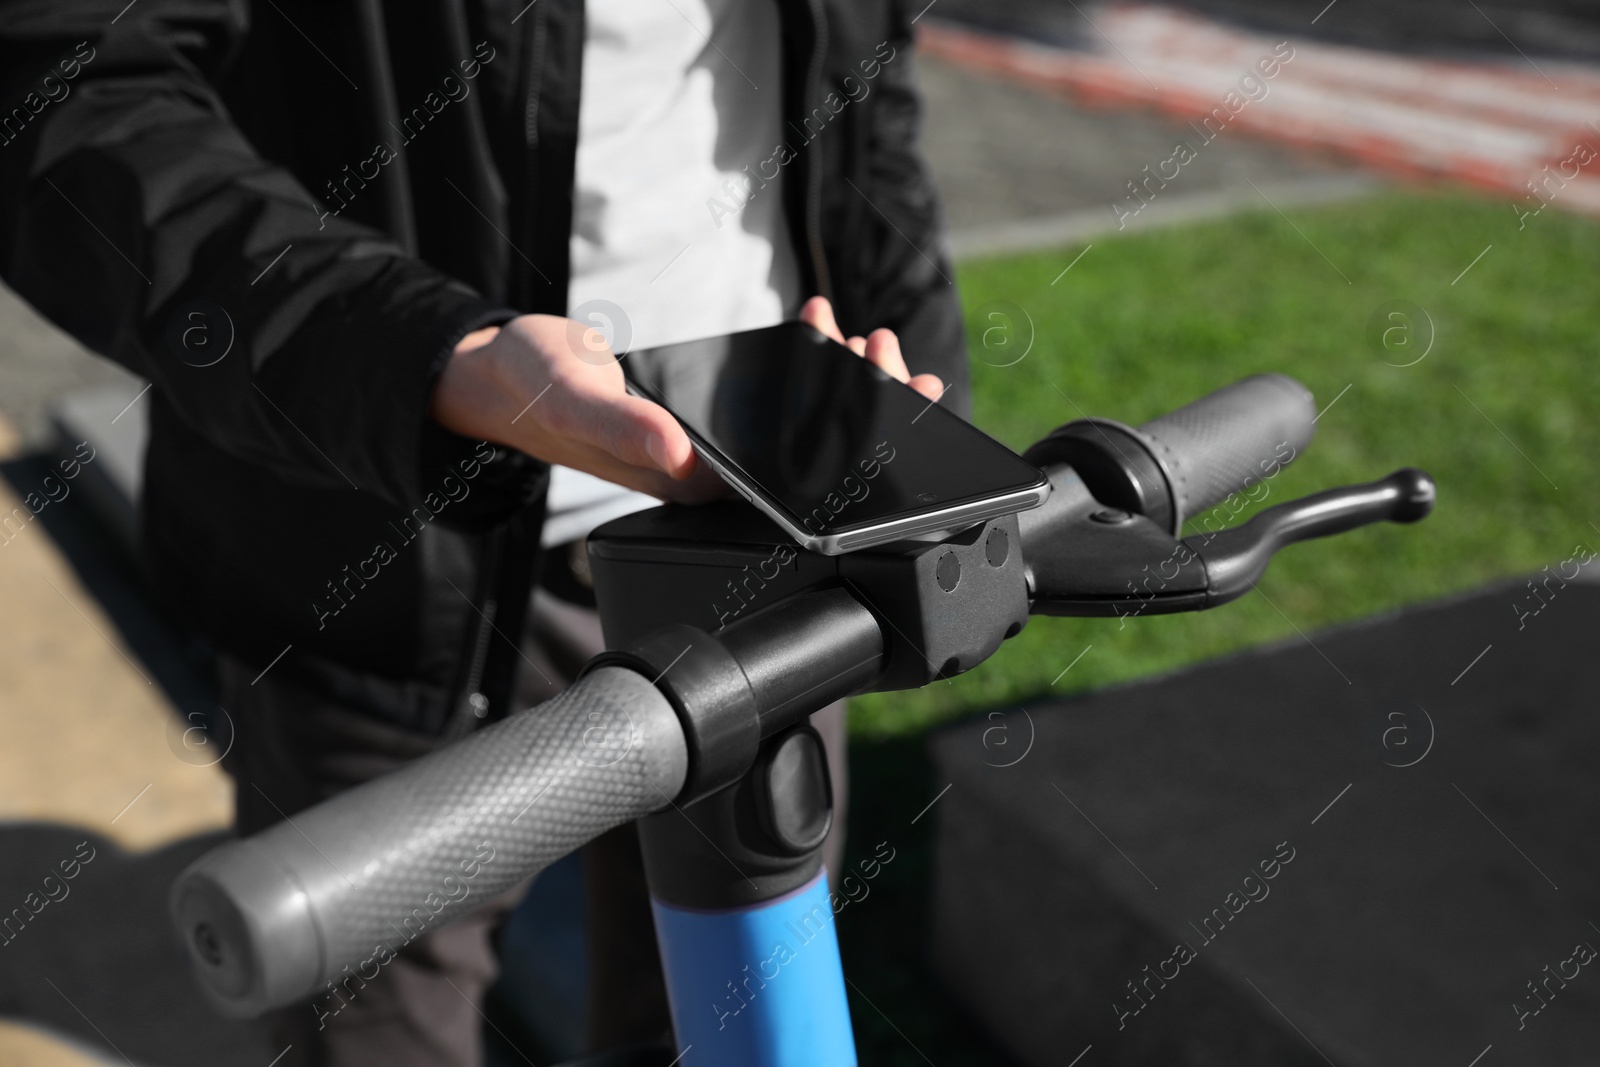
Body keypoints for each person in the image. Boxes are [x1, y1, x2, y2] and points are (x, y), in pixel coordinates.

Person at [0, 1, 965, 1063]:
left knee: (736, 1034)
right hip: (384, 557)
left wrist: (920, 404)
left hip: (764, 528)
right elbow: (69, 85)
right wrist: (425, 361)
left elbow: (867, 82)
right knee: (382, 1034)